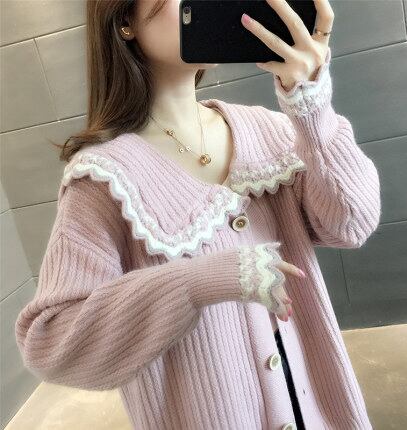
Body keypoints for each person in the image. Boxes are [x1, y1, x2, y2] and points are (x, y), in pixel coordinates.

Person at [15, 1, 380, 429]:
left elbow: (352, 223)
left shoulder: (273, 130)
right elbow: (51, 343)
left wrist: (312, 106)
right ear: (126, 21)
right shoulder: (104, 179)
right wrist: (195, 283)